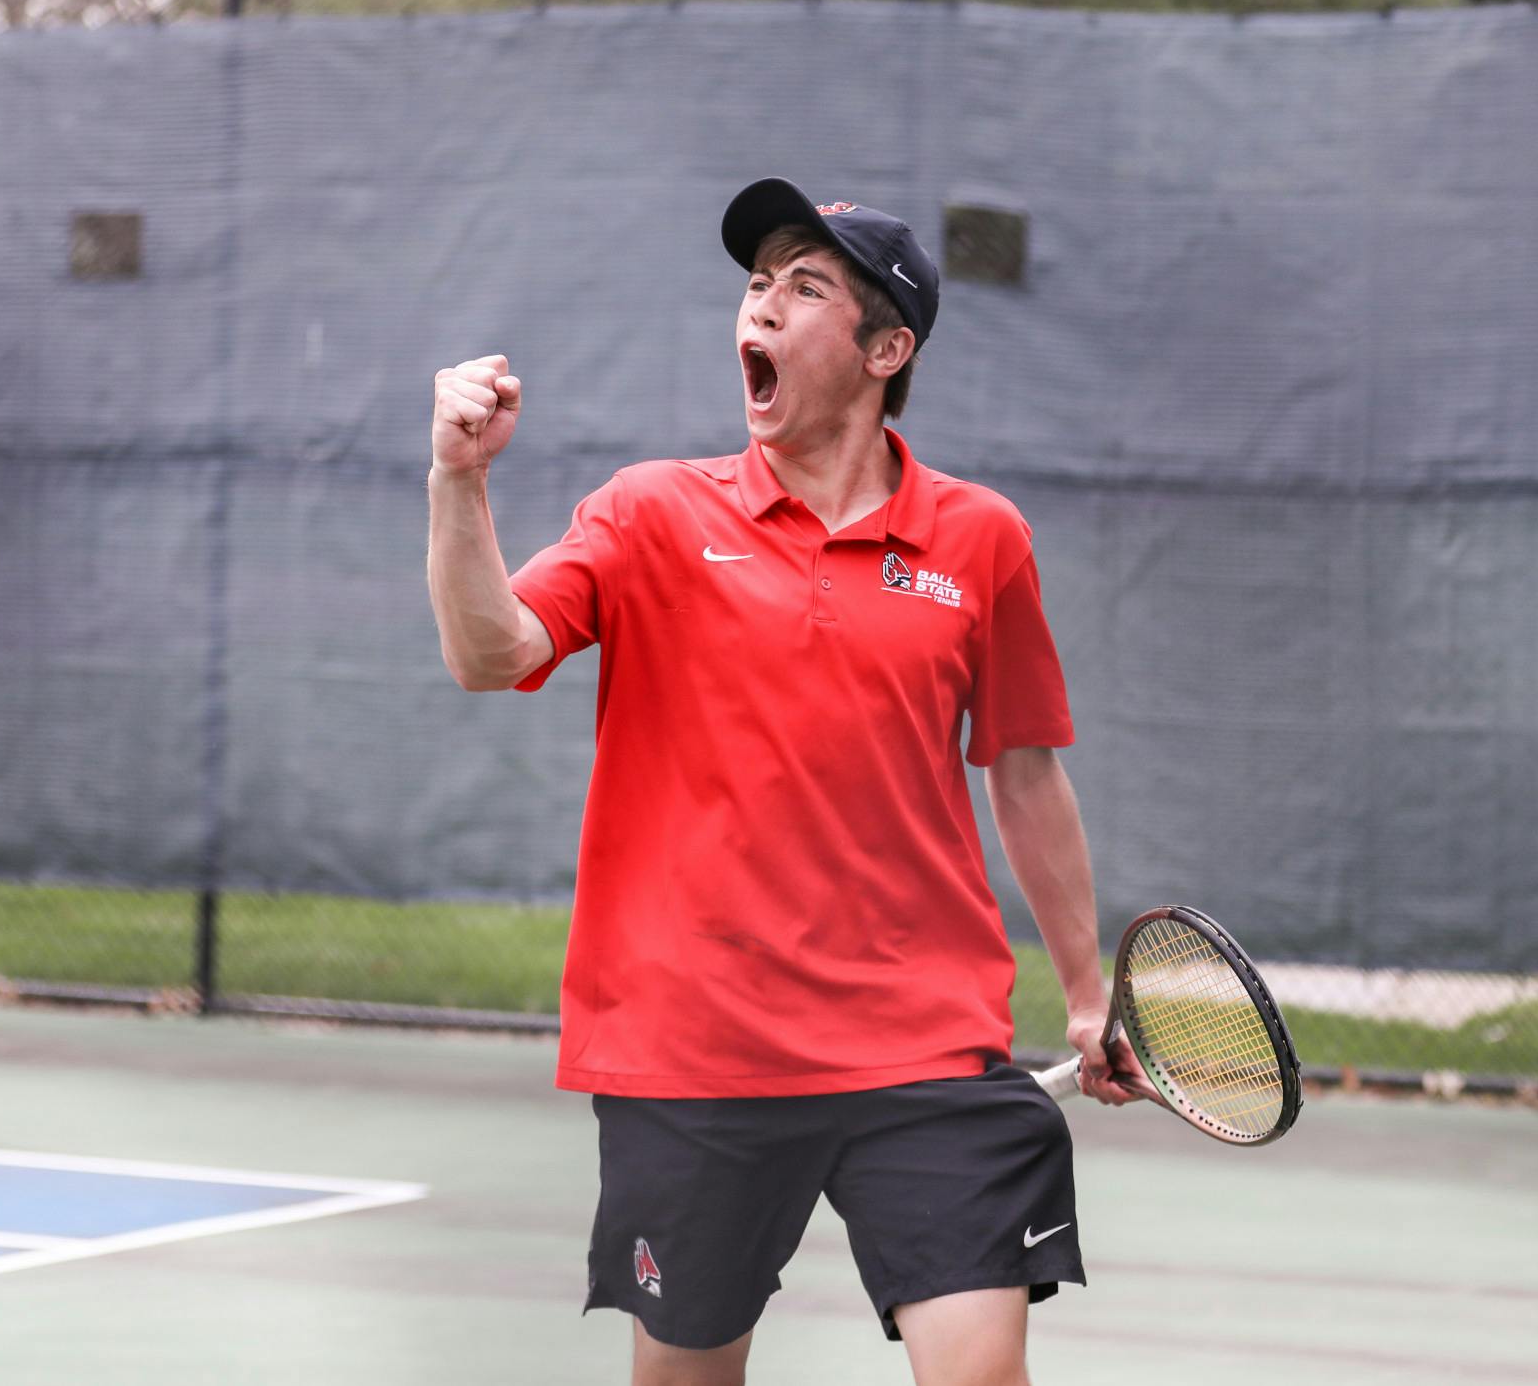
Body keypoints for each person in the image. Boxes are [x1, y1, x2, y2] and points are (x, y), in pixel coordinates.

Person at [426, 177, 1145, 1386]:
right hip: (694, 1045)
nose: (761, 303)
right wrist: (459, 481)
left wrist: (1084, 991)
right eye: (755, 283)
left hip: (925, 1043)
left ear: (885, 348)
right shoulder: (650, 511)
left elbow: (1025, 771)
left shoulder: (978, 538)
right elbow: (488, 651)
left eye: (803, 285)